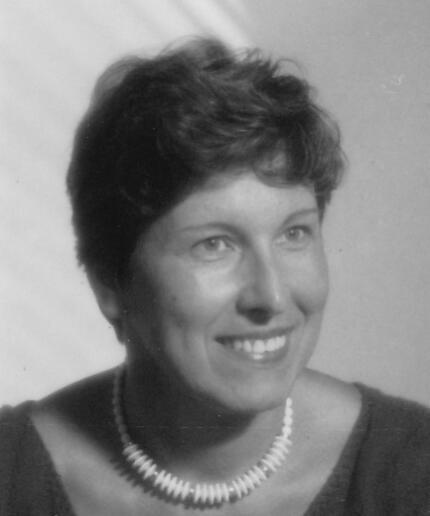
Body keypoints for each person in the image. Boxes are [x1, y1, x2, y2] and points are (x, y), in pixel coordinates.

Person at [1, 37, 429, 516]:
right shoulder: (11, 474)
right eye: (214, 245)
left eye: (294, 233)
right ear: (109, 285)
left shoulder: (412, 471)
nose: (271, 295)